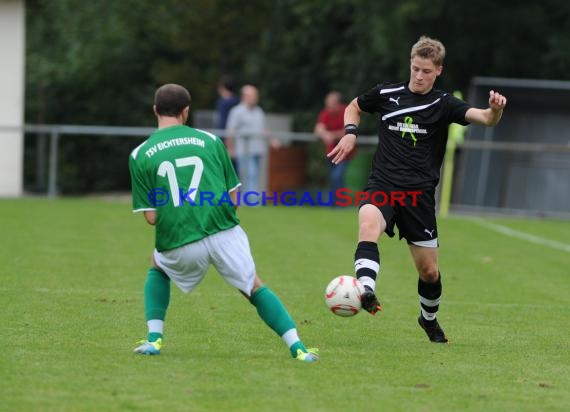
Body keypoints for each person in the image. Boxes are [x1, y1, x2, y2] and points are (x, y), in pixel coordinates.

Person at [328, 36, 507, 343]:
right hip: (383, 184)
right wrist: (350, 133)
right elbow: (355, 106)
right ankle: (366, 289)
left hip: (418, 196)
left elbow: (486, 119)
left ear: (438, 70)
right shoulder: (387, 93)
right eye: (415, 69)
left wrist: (495, 109)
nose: (419, 76)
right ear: (409, 64)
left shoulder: (443, 103)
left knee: (429, 272)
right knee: (368, 223)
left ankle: (428, 319)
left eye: (426, 70)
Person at [128, 83, 318, 362]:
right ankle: (298, 347)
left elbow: (151, 217)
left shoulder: (140, 153)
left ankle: (154, 339)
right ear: (186, 111)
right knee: (254, 287)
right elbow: (234, 198)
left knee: (157, 266)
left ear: (155, 110)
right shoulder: (210, 141)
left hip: (181, 239)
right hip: (224, 232)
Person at [225, 85, 277, 193]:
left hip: (258, 150)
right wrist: (230, 149)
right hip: (243, 151)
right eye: (252, 95)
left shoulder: (259, 111)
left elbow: (263, 129)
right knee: (249, 175)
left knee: (255, 175)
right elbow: (230, 131)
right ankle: (250, 202)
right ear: (245, 96)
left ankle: (250, 201)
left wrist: (272, 140)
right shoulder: (236, 111)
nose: (255, 97)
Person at [314, 91, 351, 204]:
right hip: (331, 152)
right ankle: (336, 203)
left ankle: (340, 203)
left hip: (345, 152)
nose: (329, 107)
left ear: (338, 104)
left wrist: (333, 135)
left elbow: (349, 130)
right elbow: (318, 129)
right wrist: (325, 134)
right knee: (333, 178)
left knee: (336, 177)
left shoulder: (347, 111)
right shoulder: (326, 112)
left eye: (331, 104)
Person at [215, 75, 240, 170]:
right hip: (237, 137)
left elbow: (222, 122)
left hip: (226, 137)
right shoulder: (237, 101)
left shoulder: (223, 103)